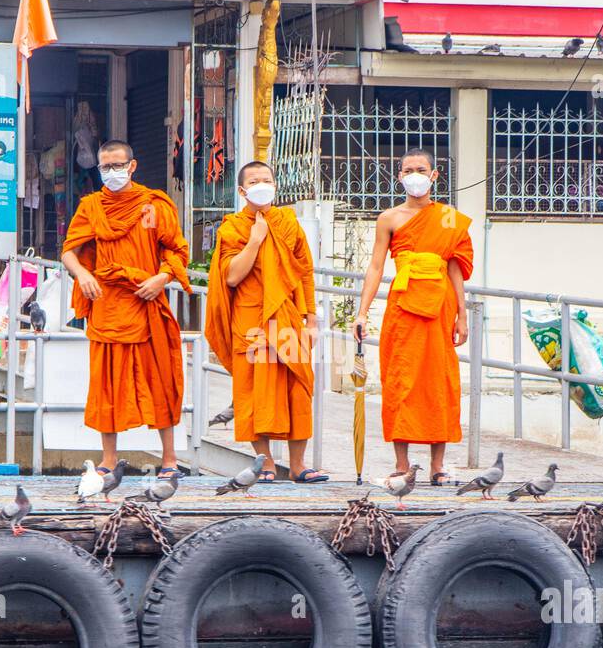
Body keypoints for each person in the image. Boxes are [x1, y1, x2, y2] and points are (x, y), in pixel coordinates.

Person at [60, 139, 191, 479]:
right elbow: (69, 251)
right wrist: (83, 274)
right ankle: (107, 459)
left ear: (132, 166)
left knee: (159, 379)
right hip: (108, 303)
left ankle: (170, 459)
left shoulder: (153, 205)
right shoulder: (91, 206)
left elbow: (176, 250)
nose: (112, 172)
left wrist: (161, 279)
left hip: (147, 302)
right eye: (105, 167)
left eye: (118, 165)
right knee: (107, 383)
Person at [353, 148, 474, 485]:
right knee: (400, 381)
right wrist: (361, 313)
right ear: (400, 176)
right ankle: (402, 463)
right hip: (403, 308)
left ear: (434, 176)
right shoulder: (389, 218)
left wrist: (462, 316)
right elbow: (376, 266)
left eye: (422, 169)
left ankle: (437, 466)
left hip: (439, 306)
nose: (415, 175)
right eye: (409, 170)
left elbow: (455, 270)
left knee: (440, 382)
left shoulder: (449, 219)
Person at [205, 161, 328, 483]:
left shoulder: (288, 222)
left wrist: (312, 318)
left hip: (288, 316)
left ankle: (299, 465)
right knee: (253, 393)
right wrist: (255, 240)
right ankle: (267, 464)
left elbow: (304, 272)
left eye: (267, 180)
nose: (263, 185)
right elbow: (231, 277)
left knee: (297, 390)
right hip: (251, 318)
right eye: (255, 181)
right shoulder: (232, 228)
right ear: (243, 191)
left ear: (275, 185)